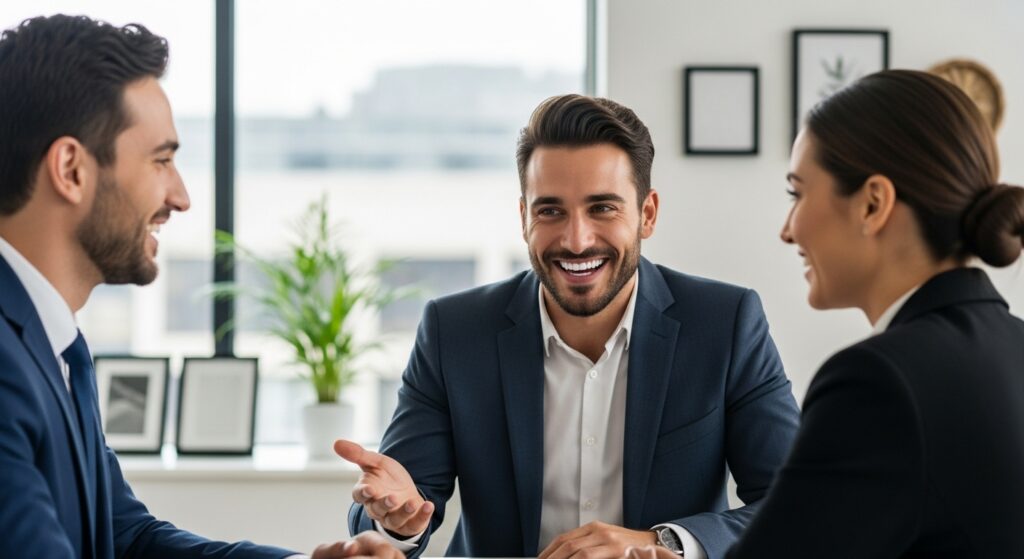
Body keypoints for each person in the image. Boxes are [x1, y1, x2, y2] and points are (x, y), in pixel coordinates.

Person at [0, 14, 402, 559]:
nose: (181, 196)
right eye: (161, 160)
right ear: (71, 169)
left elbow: (126, 537)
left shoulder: (53, 345)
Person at [336, 94, 801, 559]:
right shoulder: (453, 331)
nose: (576, 240)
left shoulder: (725, 323)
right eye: (551, 211)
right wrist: (393, 521)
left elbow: (796, 504)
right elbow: (397, 498)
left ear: (648, 214)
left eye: (602, 208)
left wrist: (661, 543)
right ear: (524, 219)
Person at [632, 69, 1024, 559]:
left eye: (797, 194)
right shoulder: (1014, 344)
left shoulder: (877, 381)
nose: (787, 230)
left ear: (872, 204)